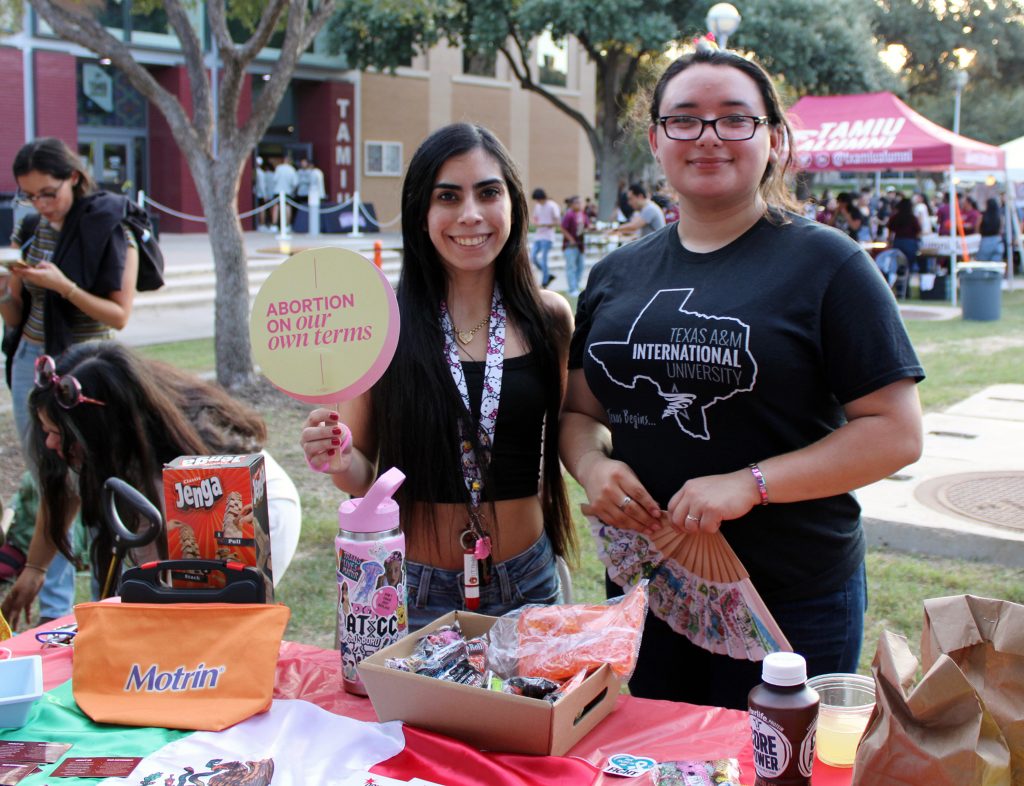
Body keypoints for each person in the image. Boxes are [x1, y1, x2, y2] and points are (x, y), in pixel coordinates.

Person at [559, 43, 924, 710]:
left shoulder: (830, 266)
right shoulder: (615, 275)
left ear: (774, 139)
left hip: (790, 593)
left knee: (774, 769)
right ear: (656, 138)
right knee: (661, 765)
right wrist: (592, 467)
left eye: (734, 119)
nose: (708, 137)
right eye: (685, 119)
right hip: (650, 587)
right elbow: (579, 413)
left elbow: (895, 433)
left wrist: (750, 485)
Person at [300, 123, 576, 632]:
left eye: (488, 192)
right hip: (413, 588)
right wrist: (337, 457)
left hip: (527, 583)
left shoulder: (550, 320)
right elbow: (363, 475)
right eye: (447, 196)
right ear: (420, 213)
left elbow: (574, 437)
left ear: (513, 204)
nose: (470, 214)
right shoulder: (382, 324)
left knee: (528, 716)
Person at [0, 342, 301, 629]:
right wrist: (35, 569)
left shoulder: (176, 474)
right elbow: (66, 490)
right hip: (184, 518)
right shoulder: (97, 444)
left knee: (204, 630)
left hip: (255, 514)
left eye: (57, 433)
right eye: (47, 431)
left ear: (103, 432)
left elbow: (174, 592)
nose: (50, 442)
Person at [1, 137, 140, 622]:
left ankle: (86, 606)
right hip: (29, 363)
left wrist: (65, 287)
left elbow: (119, 316)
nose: (40, 204)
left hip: (85, 372)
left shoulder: (111, 229)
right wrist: (5, 291)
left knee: (86, 480)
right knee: (49, 479)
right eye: (29, 195)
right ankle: (53, 610)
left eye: (48, 192)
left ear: (75, 179)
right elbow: (18, 310)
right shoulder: (34, 229)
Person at [530, 188, 561, 287]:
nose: (538, 201)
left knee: (544, 259)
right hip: (538, 236)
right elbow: (534, 218)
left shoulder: (552, 205)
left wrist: (545, 224)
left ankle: (545, 282)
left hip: (548, 237)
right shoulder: (538, 206)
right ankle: (547, 275)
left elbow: (557, 222)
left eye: (538, 199)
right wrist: (535, 223)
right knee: (533, 257)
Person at [560, 195, 590, 297]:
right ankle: (572, 289)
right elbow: (563, 228)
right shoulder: (569, 215)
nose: (580, 204)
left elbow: (586, 226)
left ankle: (576, 286)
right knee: (571, 267)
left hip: (581, 245)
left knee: (581, 267)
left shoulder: (583, 214)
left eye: (581, 202)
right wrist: (571, 239)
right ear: (572, 204)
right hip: (570, 246)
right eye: (577, 203)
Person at [886, 194, 922, 274]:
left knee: (898, 265)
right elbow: (918, 231)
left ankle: (899, 283)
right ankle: (906, 282)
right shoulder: (912, 218)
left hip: (898, 241)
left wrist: (889, 242)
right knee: (909, 265)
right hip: (910, 243)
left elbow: (890, 230)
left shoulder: (895, 217)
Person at [270, 156, 298, 230]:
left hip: (277, 191)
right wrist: (292, 190)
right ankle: (287, 225)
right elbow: (295, 183)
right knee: (287, 208)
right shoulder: (292, 170)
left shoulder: (279, 168)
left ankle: (274, 225)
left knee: (276, 207)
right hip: (287, 191)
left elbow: (274, 179)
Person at [978, 197, 1005, 261]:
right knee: (996, 266)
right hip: (997, 240)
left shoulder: (983, 216)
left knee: (983, 264)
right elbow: (1001, 230)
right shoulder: (999, 216)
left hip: (985, 240)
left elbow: (977, 228)